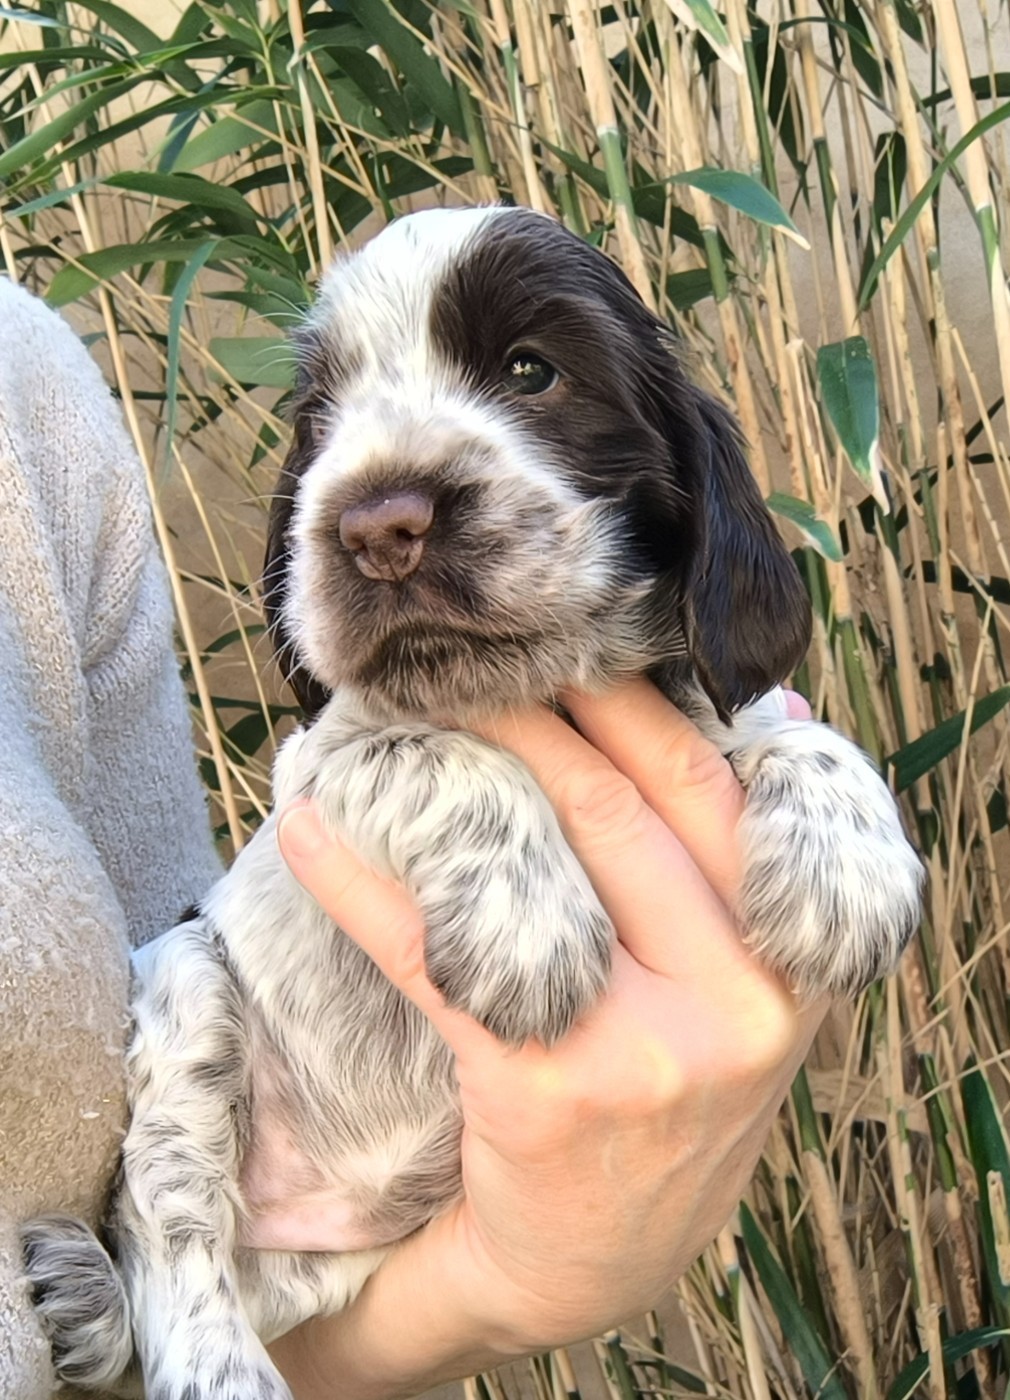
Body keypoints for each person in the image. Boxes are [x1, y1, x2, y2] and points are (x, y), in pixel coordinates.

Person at [0, 279, 824, 1400]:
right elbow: (311, 784)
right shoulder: (365, 717)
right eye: (326, 412)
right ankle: (175, 1312)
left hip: (353, 1262)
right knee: (184, 981)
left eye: (529, 370)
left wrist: (805, 771)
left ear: (678, 463)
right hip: (247, 1189)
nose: (382, 516)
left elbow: (751, 711)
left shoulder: (32, 403)